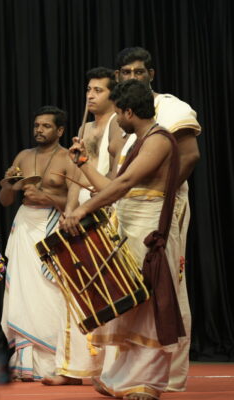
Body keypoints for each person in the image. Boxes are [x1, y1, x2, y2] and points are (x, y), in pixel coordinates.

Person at [62, 79, 186, 400]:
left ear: (129, 111)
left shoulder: (159, 140)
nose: (116, 119)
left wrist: (81, 210)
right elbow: (110, 186)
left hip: (149, 230)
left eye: (118, 112)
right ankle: (124, 378)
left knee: (150, 306)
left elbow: (126, 182)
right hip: (130, 227)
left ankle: (148, 384)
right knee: (131, 305)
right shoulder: (139, 142)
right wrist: (84, 163)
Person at [114, 47, 200, 392]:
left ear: (151, 74)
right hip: (127, 210)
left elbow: (190, 156)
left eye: (139, 71)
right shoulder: (119, 114)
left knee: (165, 287)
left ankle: (164, 377)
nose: (133, 77)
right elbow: (119, 174)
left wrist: (159, 201)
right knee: (129, 288)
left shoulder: (173, 109)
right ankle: (123, 376)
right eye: (126, 72)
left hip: (162, 208)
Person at [45, 67, 123, 386]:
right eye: (88, 89)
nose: (90, 95)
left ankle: (112, 369)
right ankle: (74, 367)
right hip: (85, 212)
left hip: (113, 210)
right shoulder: (86, 127)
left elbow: (119, 177)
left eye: (98, 90)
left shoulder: (121, 125)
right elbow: (77, 175)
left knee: (111, 291)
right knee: (77, 291)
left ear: (113, 95)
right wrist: (69, 209)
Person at [0, 106, 78, 381]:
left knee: (50, 292)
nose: (39, 130)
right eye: (36, 125)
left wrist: (48, 199)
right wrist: (9, 183)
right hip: (24, 226)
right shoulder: (23, 156)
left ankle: (58, 362)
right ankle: (24, 363)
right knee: (21, 291)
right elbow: (5, 201)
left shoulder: (68, 158)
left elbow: (75, 202)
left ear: (60, 130)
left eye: (45, 126)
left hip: (53, 226)